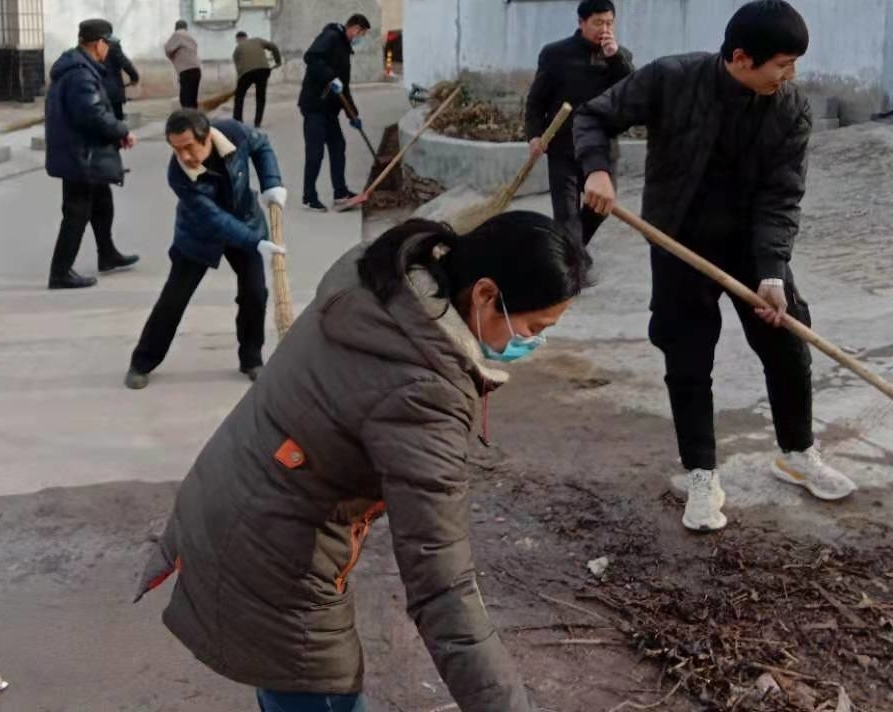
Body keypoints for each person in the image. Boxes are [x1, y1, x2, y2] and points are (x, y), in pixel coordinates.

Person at [135, 211, 587, 712]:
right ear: (484, 295)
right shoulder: (422, 392)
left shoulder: (382, 277)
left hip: (233, 490)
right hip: (269, 550)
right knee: (318, 688)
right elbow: (443, 586)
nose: (537, 342)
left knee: (290, 690)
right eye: (535, 326)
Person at [575, 0, 856, 533]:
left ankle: (797, 452)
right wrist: (596, 170)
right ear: (743, 58)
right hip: (679, 243)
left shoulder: (790, 107)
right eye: (783, 63)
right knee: (687, 357)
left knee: (788, 343)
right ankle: (701, 474)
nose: (790, 74)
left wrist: (772, 271)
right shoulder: (672, 78)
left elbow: (782, 194)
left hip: (752, 251)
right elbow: (595, 115)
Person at [125, 109, 287, 390]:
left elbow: (262, 145)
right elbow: (213, 218)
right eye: (177, 149)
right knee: (174, 298)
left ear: (207, 136)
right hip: (199, 234)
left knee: (255, 293)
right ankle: (142, 361)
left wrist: (272, 183)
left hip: (245, 221)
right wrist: (254, 242)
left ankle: (251, 358)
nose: (184, 156)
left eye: (189, 146)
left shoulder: (234, 133)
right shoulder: (178, 174)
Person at [524, 0, 633, 252]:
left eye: (609, 23)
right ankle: (573, 262)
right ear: (581, 22)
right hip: (563, 146)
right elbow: (536, 100)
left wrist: (615, 58)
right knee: (566, 215)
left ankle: (570, 252)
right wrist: (534, 135)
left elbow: (631, 92)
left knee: (602, 205)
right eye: (598, 23)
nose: (604, 30)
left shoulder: (620, 57)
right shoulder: (555, 54)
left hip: (602, 148)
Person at [44, 18, 139, 290]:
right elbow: (92, 114)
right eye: (108, 44)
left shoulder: (81, 67)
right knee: (76, 211)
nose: (109, 50)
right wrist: (122, 130)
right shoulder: (80, 74)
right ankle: (60, 272)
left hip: (82, 151)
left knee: (101, 201)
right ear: (99, 44)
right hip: (79, 154)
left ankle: (107, 253)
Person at [297, 12, 372, 213]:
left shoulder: (344, 49)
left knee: (338, 146)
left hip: (329, 109)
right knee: (316, 151)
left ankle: (341, 194)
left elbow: (343, 87)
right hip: (314, 105)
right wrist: (330, 77)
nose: (360, 38)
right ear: (355, 28)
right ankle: (309, 197)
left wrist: (353, 115)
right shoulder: (330, 36)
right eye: (361, 34)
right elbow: (311, 57)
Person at [232, 31, 282, 128]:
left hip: (246, 73)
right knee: (260, 96)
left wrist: (238, 85)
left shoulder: (237, 49)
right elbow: (273, 46)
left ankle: (237, 121)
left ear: (238, 40)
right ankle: (257, 122)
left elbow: (238, 69)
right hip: (263, 70)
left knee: (239, 97)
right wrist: (278, 61)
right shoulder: (257, 40)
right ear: (246, 37)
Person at [100, 35, 140, 121]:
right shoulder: (112, 44)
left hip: (95, 91)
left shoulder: (86, 45)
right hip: (112, 92)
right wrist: (134, 77)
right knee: (116, 121)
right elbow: (125, 64)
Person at [165, 20, 201, 109]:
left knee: (185, 99)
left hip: (186, 70)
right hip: (196, 69)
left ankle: (187, 118)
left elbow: (168, 48)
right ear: (186, 27)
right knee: (193, 98)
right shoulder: (191, 37)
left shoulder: (177, 34)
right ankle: (194, 117)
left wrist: (171, 56)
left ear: (176, 27)